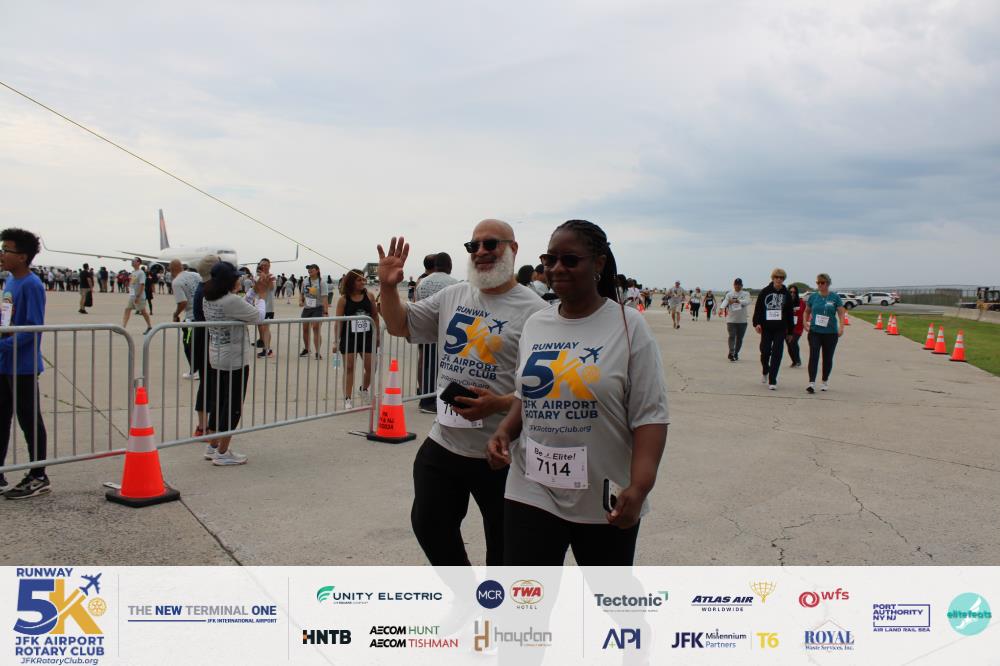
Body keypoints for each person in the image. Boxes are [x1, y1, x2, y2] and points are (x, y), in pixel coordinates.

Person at [486, 220, 669, 565]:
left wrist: (640, 486)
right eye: (549, 259)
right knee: (527, 593)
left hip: (603, 497)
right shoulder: (536, 324)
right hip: (531, 488)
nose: (556, 268)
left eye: (570, 260)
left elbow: (650, 416)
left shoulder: (629, 326)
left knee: (608, 595)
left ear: (598, 263)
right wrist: (505, 431)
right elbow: (527, 395)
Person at [376, 219, 546, 566]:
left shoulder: (536, 313)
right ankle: (465, 591)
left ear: (513, 249)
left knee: (504, 547)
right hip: (445, 442)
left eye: (491, 244)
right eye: (473, 245)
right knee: (429, 526)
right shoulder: (455, 294)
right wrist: (388, 288)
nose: (481, 252)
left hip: (501, 452)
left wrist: (498, 403)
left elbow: (545, 391)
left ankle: (495, 600)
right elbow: (399, 324)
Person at [0, 228, 50, 498]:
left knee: (29, 420)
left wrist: (3, 345)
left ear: (22, 256)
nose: (2, 254)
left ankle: (38, 475)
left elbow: (32, 328)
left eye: (6, 250)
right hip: (4, 363)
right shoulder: (10, 280)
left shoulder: (32, 285)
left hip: (23, 366)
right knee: (1, 418)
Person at [202, 261, 268, 465]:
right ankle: (223, 452)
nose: (239, 279)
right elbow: (258, 316)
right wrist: (262, 296)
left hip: (216, 356)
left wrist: (254, 291)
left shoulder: (209, 298)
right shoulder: (229, 301)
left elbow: (242, 306)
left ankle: (213, 446)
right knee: (232, 406)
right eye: (236, 277)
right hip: (234, 360)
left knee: (218, 402)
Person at [413, 252, 458, 413]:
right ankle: (431, 400)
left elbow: (417, 303)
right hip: (445, 331)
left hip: (425, 328)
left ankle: (425, 396)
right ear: (449, 265)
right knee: (442, 367)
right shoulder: (453, 284)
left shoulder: (422, 283)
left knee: (427, 364)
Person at [335, 270, 380, 409]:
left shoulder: (369, 296)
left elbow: (375, 316)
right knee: (349, 367)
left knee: (371, 367)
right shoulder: (343, 299)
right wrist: (336, 341)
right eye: (359, 280)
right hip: (349, 337)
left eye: (363, 279)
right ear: (351, 282)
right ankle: (347, 398)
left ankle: (363, 389)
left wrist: (377, 335)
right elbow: (338, 322)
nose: (363, 282)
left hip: (367, 337)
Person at [191, 255, 219, 445]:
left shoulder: (203, 288)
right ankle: (204, 427)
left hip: (203, 338)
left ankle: (204, 426)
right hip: (207, 339)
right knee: (209, 383)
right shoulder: (207, 290)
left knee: (207, 382)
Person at [752, 268, 794, 390]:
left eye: (781, 278)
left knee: (777, 353)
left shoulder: (786, 294)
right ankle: (766, 369)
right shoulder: (765, 291)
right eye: (777, 277)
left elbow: (789, 313)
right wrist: (756, 323)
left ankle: (773, 379)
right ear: (773, 278)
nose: (779, 280)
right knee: (765, 351)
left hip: (780, 328)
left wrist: (790, 331)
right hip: (766, 327)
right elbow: (758, 309)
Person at [804, 274, 846, 393]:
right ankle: (811, 383)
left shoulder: (835, 297)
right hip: (815, 332)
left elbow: (841, 313)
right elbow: (806, 311)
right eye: (818, 283)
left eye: (822, 283)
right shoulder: (813, 297)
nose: (820, 285)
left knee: (827, 357)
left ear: (828, 283)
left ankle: (824, 381)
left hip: (830, 333)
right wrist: (804, 322)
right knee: (814, 356)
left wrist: (841, 327)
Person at [169, 260, 202, 378]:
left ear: (171, 270)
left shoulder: (177, 282)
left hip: (191, 318)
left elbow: (183, 302)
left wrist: (176, 314)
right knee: (201, 344)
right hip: (204, 315)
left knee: (188, 344)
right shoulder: (196, 275)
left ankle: (195, 370)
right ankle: (202, 369)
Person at [299, 264, 328, 359]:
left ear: (317, 270)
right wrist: (300, 300)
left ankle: (317, 352)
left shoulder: (322, 282)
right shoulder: (305, 281)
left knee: (316, 328)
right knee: (305, 329)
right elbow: (302, 293)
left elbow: (324, 297)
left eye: (312, 269)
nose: (310, 270)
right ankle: (307, 349)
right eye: (308, 269)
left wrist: (325, 312)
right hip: (307, 308)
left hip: (318, 308)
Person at [723, 278, 751, 361]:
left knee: (739, 338)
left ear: (742, 286)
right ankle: (731, 352)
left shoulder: (746, 293)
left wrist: (738, 301)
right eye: (736, 285)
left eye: (739, 285)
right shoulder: (729, 294)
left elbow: (747, 301)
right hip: (731, 320)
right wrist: (723, 306)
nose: (737, 286)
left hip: (742, 321)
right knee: (732, 336)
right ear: (733, 285)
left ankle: (736, 353)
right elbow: (725, 302)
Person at [122, 257, 152, 333]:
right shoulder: (133, 272)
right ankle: (123, 327)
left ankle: (149, 326)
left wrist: (138, 296)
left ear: (138, 263)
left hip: (139, 296)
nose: (132, 262)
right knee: (127, 309)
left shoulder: (141, 273)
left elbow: (142, 285)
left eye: (134, 261)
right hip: (132, 296)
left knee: (143, 312)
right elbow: (132, 283)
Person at [254, 259, 277, 358]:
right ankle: (266, 348)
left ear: (269, 266)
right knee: (262, 328)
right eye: (262, 265)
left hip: (269, 307)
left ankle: (267, 350)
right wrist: (261, 278)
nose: (264, 267)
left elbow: (271, 288)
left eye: (266, 265)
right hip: (259, 305)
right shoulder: (257, 276)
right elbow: (256, 289)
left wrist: (266, 278)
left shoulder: (272, 277)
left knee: (266, 328)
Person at [786, 284, 806, 368]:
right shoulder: (785, 301)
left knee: (793, 342)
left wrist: (806, 322)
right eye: (790, 292)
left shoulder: (802, 302)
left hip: (798, 327)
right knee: (789, 344)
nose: (792, 294)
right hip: (787, 326)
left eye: (794, 292)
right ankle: (794, 361)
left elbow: (806, 312)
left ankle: (798, 360)